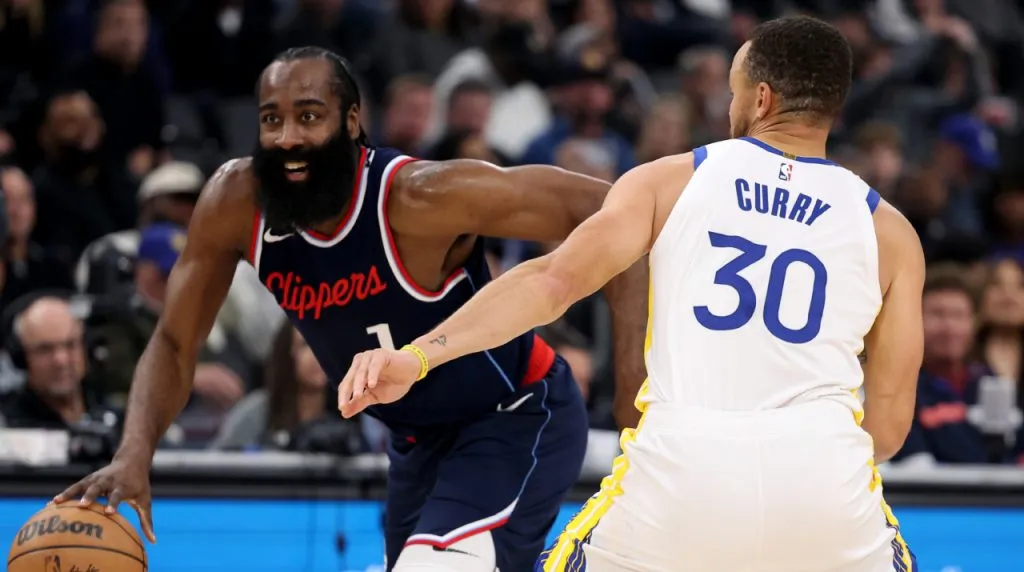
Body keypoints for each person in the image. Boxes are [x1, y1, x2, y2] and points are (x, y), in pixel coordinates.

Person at [338, 16, 925, 572]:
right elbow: (891, 426)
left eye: (734, 92)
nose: (730, 106)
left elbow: (550, 283)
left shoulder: (670, 181)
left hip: (683, 474)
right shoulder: (892, 234)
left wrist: (417, 357)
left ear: (762, 99)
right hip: (823, 484)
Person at [54, 46, 649, 572]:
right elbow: (175, 343)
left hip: (514, 414)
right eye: (271, 119)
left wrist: (634, 395)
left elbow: (622, 213)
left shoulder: (419, 198)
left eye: (309, 116)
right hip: (415, 443)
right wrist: (134, 455)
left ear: (352, 122)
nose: (287, 136)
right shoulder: (236, 204)